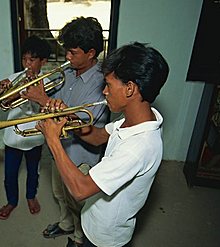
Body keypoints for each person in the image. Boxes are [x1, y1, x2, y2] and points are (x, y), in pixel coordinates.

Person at [35, 42, 170, 247]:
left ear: (130, 88)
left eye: (108, 85)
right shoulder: (138, 119)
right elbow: (97, 136)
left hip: (103, 237)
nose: (104, 92)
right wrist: (68, 116)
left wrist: (52, 140)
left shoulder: (138, 147)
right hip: (94, 215)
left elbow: (80, 189)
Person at [21, 17, 110, 247]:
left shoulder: (102, 84)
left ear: (91, 53)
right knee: (59, 194)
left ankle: (79, 238)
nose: (67, 58)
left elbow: (81, 124)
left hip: (80, 157)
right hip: (57, 147)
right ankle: (66, 224)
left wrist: (42, 99)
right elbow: (52, 94)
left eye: (72, 52)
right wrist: (31, 83)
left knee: (78, 202)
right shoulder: (70, 71)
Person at [0, 35, 51, 220]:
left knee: (33, 171)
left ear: (43, 61)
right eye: (24, 59)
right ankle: (11, 201)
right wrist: (3, 95)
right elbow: (2, 107)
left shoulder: (48, 82)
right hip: (13, 136)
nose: (27, 64)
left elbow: (46, 110)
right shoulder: (13, 78)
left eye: (32, 60)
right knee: (9, 174)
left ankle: (30, 196)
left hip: (34, 136)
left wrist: (35, 94)